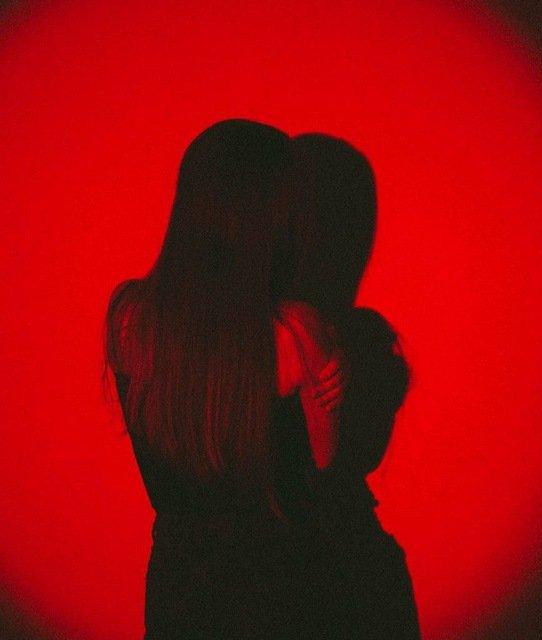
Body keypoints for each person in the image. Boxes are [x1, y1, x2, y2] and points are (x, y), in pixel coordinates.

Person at [103, 119, 349, 639]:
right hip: (283, 590)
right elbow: (327, 470)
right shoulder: (296, 331)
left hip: (179, 586)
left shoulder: (130, 319)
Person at [282, 132, 422, 638]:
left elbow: (328, 465)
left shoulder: (353, 341)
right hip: (358, 575)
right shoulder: (364, 341)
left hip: (316, 583)